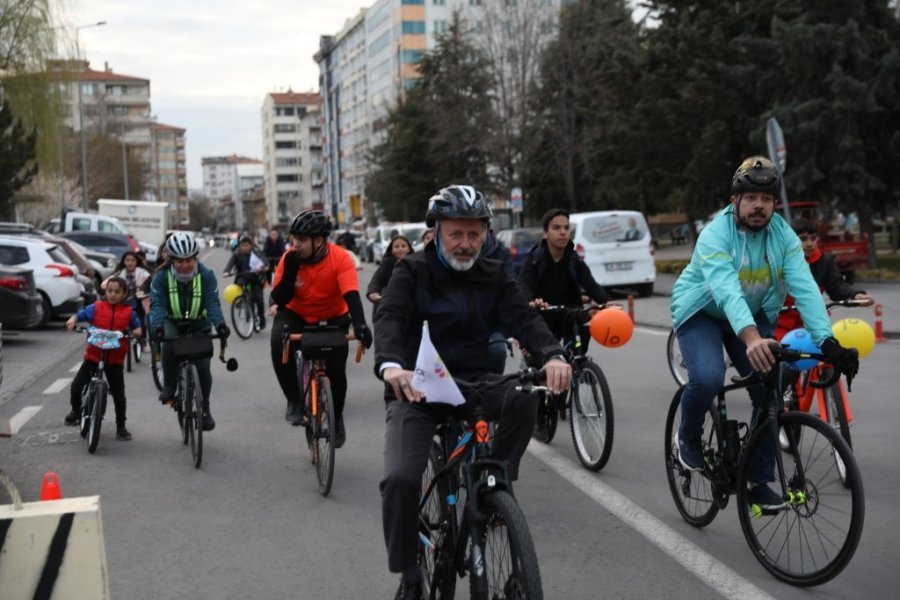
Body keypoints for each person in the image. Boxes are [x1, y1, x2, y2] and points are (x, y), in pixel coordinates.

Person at [374, 185, 572, 600]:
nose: (466, 245)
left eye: (474, 235)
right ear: (437, 232)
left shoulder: (496, 272)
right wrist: (392, 366)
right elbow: (390, 317)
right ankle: (409, 574)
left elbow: (523, 317)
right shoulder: (411, 271)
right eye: (456, 235)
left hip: (475, 382)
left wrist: (553, 354)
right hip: (418, 387)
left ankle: (495, 485)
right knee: (399, 479)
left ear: (485, 234)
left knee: (525, 394)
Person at [670, 156, 860, 510]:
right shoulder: (715, 234)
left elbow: (804, 287)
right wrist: (751, 337)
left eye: (767, 199)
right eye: (751, 198)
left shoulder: (783, 236)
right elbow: (725, 289)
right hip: (702, 313)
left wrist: (828, 342)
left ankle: (757, 478)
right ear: (735, 201)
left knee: (772, 385)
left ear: (774, 203)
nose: (759, 205)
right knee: (708, 377)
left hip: (753, 315)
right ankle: (688, 437)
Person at [269, 209, 373, 448]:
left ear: (320, 241)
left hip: (332, 316)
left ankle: (336, 417)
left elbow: (351, 294)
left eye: (302, 240)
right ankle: (294, 400)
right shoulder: (289, 258)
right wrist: (291, 271)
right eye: (294, 238)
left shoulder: (341, 258)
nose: (296, 244)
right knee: (278, 340)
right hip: (295, 313)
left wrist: (360, 325)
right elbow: (279, 298)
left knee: (336, 370)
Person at [149, 232, 230, 431]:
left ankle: (206, 409)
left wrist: (219, 324)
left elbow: (212, 303)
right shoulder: (160, 278)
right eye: (179, 261)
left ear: (195, 258)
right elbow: (157, 305)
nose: (185, 265)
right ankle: (169, 386)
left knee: (203, 366)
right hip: (172, 321)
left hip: (198, 322)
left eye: (189, 260)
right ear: (171, 260)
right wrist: (158, 327)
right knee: (168, 345)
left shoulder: (207, 275)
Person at [64, 276, 143, 441]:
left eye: (117, 292)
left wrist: (137, 330)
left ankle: (121, 426)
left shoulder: (129, 312)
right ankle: (76, 411)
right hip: (93, 356)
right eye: (110, 291)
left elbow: (137, 325)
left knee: (119, 396)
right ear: (105, 292)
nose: (113, 295)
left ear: (124, 294)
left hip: (114, 360)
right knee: (77, 385)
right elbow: (81, 314)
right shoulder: (97, 307)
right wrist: (73, 320)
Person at [775, 219, 875, 340]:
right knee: (776, 355)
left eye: (813, 238)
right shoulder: (777, 259)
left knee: (830, 356)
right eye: (803, 239)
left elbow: (837, 286)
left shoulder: (825, 260)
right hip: (780, 323)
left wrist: (855, 295)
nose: (810, 244)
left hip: (814, 323)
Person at [482, 229, 515, 374]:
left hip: (493, 322)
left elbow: (512, 288)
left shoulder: (501, 252)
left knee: (497, 351)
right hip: (458, 323)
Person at [223, 235, 268, 330]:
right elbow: (230, 263)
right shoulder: (237, 254)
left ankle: (261, 317)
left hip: (255, 278)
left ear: (251, 246)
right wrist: (226, 271)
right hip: (243, 277)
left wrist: (262, 268)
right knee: (243, 289)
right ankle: (243, 301)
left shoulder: (257, 253)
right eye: (242, 245)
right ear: (239, 246)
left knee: (259, 299)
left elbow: (264, 263)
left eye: (247, 245)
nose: (244, 248)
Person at [367, 235, 413, 321]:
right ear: (391, 250)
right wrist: (373, 293)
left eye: (403, 246)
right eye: (396, 246)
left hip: (410, 310)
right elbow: (376, 280)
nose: (400, 249)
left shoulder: (416, 264)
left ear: (409, 249)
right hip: (388, 310)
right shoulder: (386, 263)